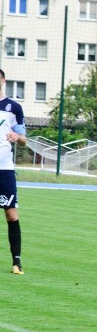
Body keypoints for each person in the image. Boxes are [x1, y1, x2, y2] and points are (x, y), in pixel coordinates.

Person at [0, 69, 26, 275]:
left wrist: (17, 137)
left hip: (5, 169)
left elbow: (24, 139)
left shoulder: (13, 108)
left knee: (11, 213)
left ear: (3, 81)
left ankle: (16, 262)